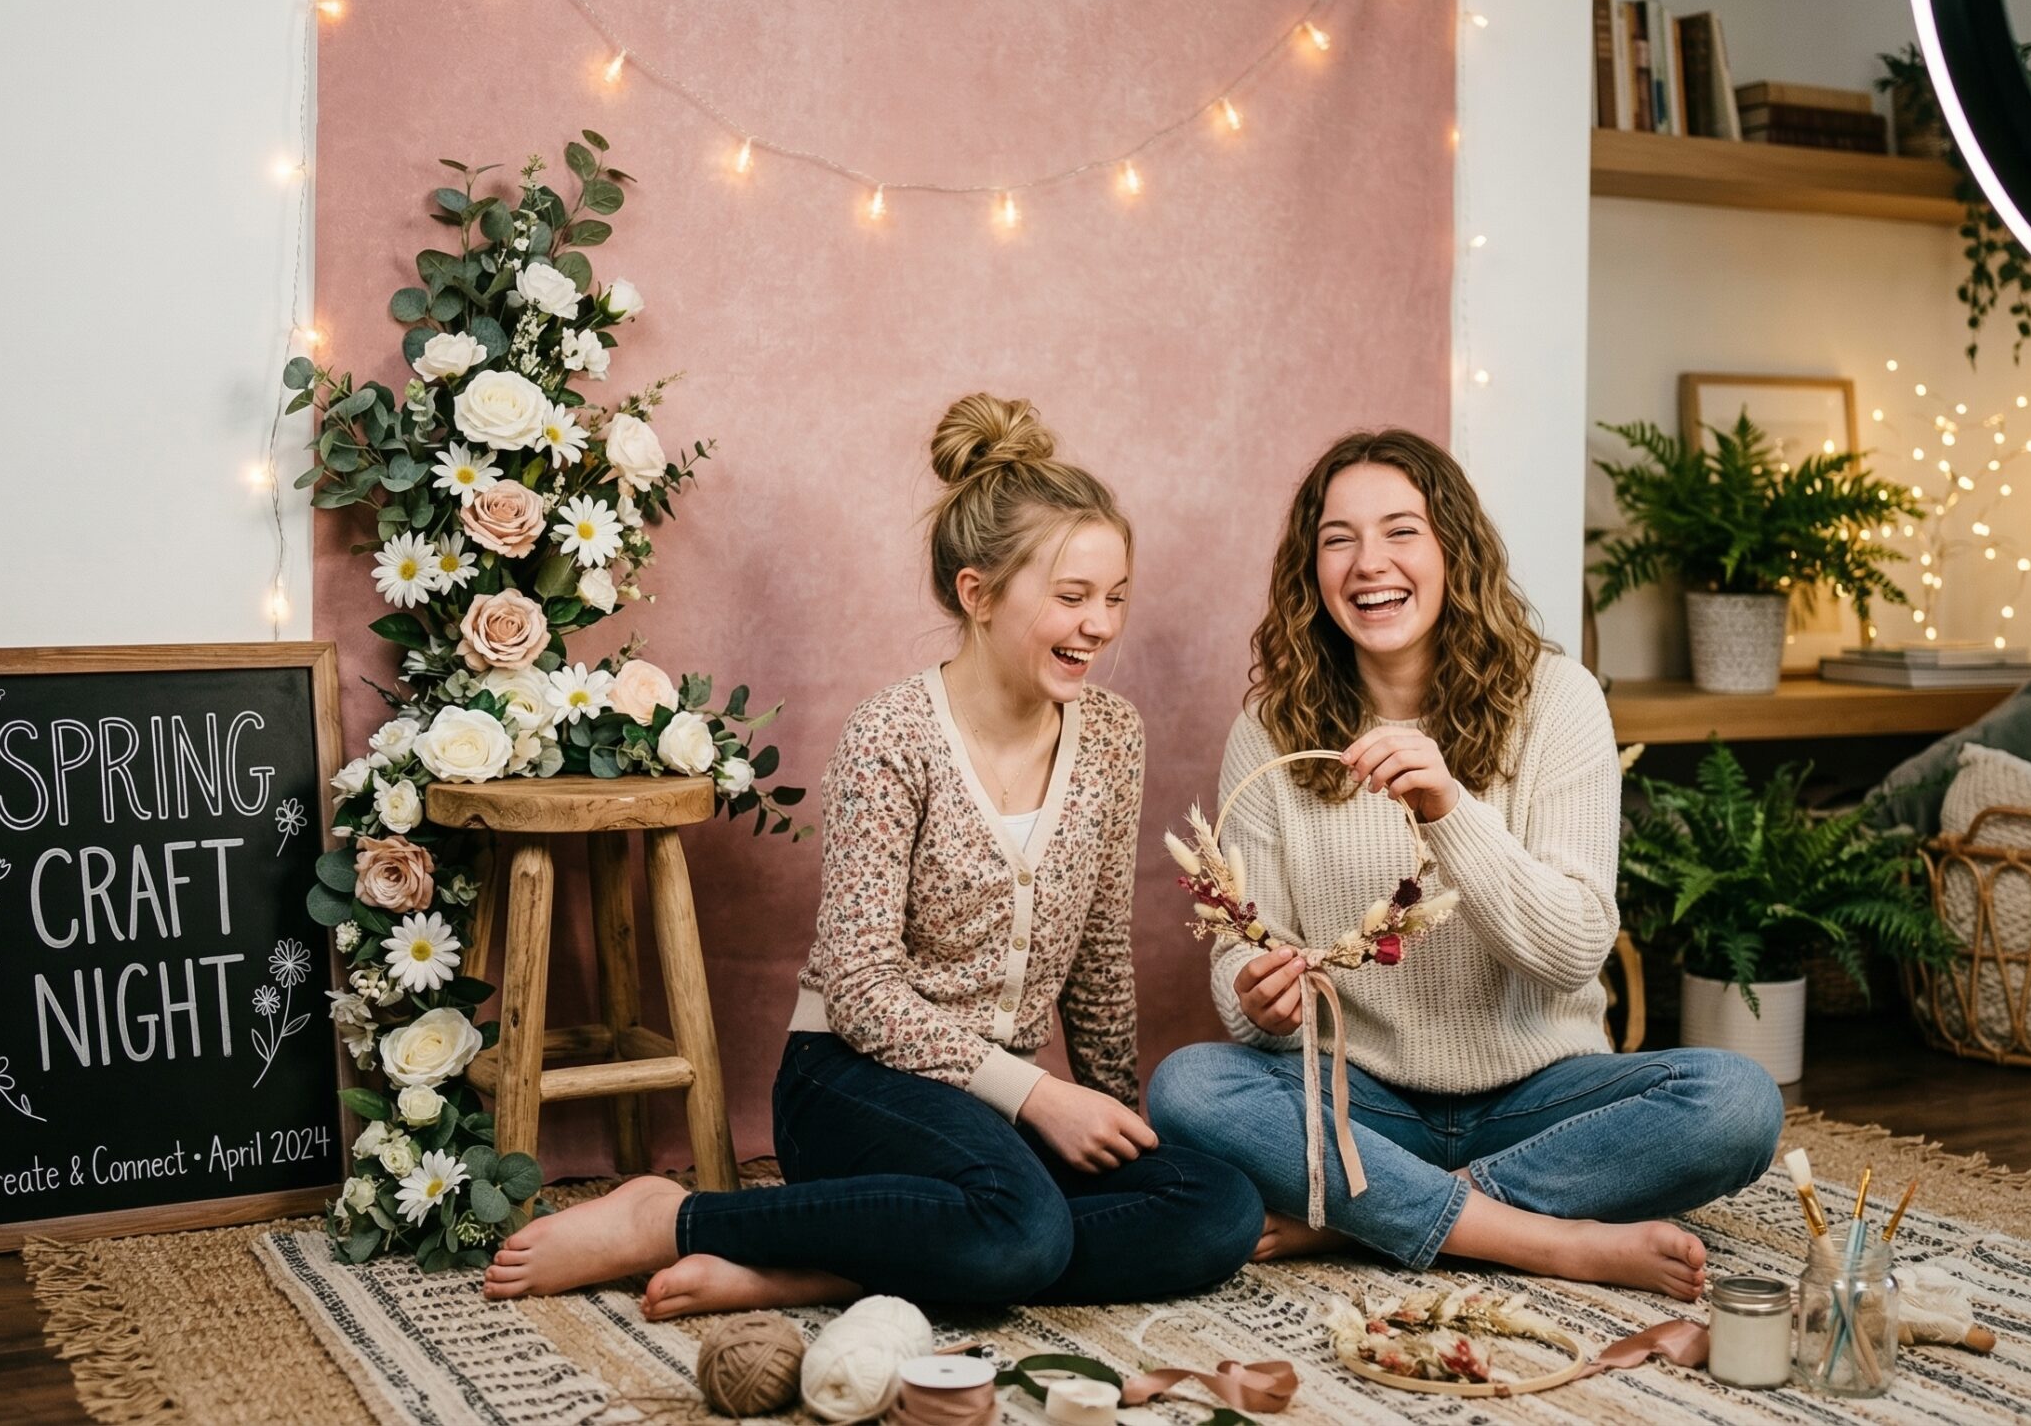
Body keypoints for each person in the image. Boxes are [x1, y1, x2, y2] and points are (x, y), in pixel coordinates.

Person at [484, 393, 1262, 1318]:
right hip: (854, 1081)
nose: (1100, 623)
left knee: (1218, 1208)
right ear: (977, 594)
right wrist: (1041, 1097)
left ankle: (834, 1264)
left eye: (1116, 596)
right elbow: (858, 990)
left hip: (995, 1109)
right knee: (1024, 1229)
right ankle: (676, 1219)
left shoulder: (1112, 736)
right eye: (1072, 596)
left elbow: (1097, 959)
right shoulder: (891, 734)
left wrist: (1110, 1116)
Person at [1148, 429, 1782, 1302]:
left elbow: (1573, 951)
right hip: (1362, 1099)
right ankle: (1544, 1238)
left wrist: (1449, 809)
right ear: (1311, 569)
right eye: (1339, 539)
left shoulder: (1557, 700)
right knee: (1188, 1087)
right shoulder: (1272, 731)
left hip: (1542, 1097)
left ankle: (1361, 1214)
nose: (1370, 562)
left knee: (1738, 1102)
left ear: (1454, 548)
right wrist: (1255, 998)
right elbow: (1242, 951)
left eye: (1401, 530)